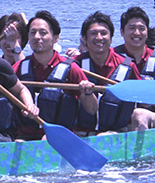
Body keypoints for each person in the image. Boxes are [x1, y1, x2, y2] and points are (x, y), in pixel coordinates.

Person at [13, 10, 96, 140]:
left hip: (60, 137)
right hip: (25, 137)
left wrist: (88, 93)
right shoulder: (18, 68)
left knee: (46, 139)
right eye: (32, 33)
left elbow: (92, 109)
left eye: (43, 32)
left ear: (56, 38)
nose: (37, 37)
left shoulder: (71, 69)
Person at [75, 11, 142, 133]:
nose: (99, 38)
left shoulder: (128, 67)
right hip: (81, 132)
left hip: (118, 132)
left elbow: (143, 99)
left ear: (111, 39)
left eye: (104, 33)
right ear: (84, 38)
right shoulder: (75, 65)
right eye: (93, 33)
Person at [114, 7, 155, 131]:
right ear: (121, 32)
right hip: (121, 123)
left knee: (139, 115)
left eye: (141, 29)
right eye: (132, 28)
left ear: (147, 32)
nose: (137, 33)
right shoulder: (113, 58)